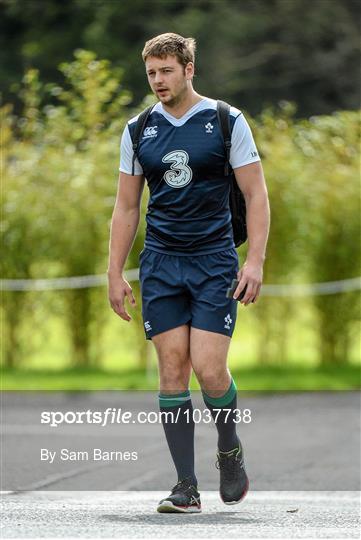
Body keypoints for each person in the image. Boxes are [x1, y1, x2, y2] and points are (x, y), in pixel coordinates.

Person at [108, 32, 270, 513]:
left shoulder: (226, 120)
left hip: (214, 261)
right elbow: (125, 207)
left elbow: (257, 195)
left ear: (188, 69)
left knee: (209, 368)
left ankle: (229, 447)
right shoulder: (138, 130)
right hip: (160, 263)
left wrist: (255, 261)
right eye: (151, 73)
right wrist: (114, 272)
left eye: (166, 71)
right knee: (172, 369)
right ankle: (186, 487)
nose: (158, 81)